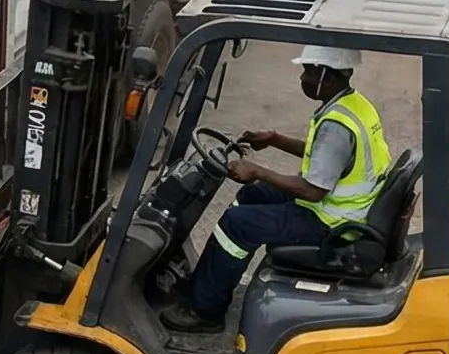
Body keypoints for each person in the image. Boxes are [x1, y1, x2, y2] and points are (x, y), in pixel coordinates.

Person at [164, 46, 390, 332]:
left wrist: (257, 170)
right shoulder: (352, 105)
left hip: (331, 221)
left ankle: (206, 310)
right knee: (253, 194)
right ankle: (207, 282)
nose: (302, 78)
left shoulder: (337, 124)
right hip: (339, 207)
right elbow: (324, 155)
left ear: (328, 76)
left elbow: (312, 190)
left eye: (309, 71)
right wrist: (274, 139)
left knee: (236, 225)